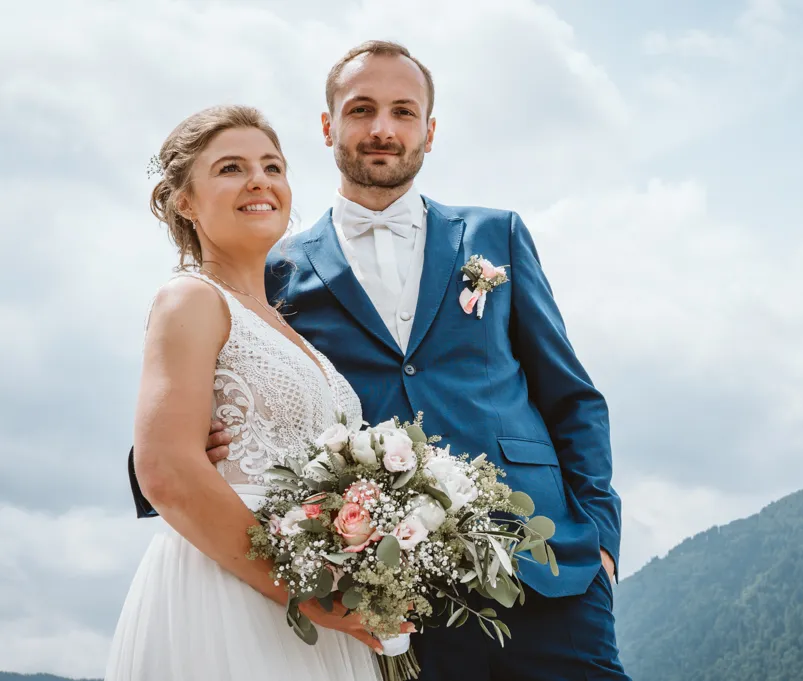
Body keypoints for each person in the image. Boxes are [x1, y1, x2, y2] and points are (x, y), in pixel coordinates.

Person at [129, 40, 629, 680]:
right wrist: (184, 453)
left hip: (542, 564)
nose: (382, 129)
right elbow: (201, 404)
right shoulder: (271, 271)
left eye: (403, 111)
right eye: (361, 109)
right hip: (383, 590)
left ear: (430, 128)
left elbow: (573, 399)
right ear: (328, 125)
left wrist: (602, 544)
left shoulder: (495, 235)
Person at [106, 105, 397, 681]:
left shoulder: (288, 329)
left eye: (272, 166)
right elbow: (164, 470)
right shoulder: (189, 299)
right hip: (232, 592)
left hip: (317, 601)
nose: (260, 180)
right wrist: (309, 594)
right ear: (185, 201)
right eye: (231, 168)